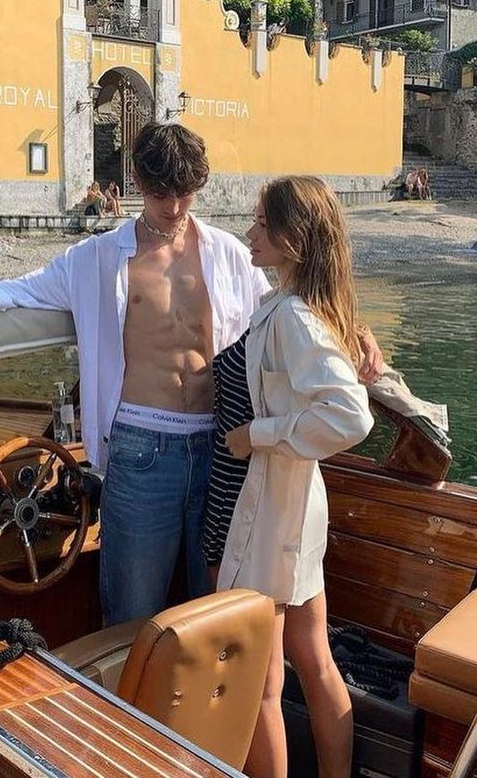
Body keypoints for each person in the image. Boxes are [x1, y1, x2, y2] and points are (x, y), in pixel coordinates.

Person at [0, 123, 384, 627]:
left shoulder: (229, 254)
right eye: (158, 193)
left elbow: (293, 303)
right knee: (133, 609)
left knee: (217, 606)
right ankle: (125, 705)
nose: (172, 207)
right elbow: (28, 287)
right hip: (141, 446)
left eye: (185, 193)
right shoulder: (99, 257)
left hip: (223, 447)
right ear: (136, 183)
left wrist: (356, 332)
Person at [212, 176, 374, 778]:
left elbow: (349, 415)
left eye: (259, 224)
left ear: (291, 239)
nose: (248, 233)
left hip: (272, 510)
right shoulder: (310, 308)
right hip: (298, 507)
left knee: (260, 685)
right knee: (315, 659)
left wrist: (257, 434)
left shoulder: (292, 319)